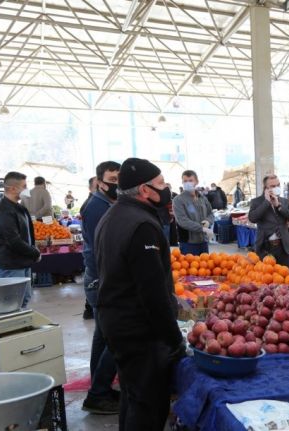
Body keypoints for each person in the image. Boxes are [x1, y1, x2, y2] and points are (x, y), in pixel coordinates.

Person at [95, 158, 184, 430]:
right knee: (148, 405)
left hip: (115, 322)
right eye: (161, 183)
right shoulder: (142, 225)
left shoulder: (112, 215)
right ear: (145, 190)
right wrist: (174, 341)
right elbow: (153, 294)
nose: (166, 188)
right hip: (139, 331)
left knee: (132, 396)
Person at [80, 160, 121, 415]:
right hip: (102, 281)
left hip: (101, 280)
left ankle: (100, 387)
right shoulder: (97, 207)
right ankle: (97, 394)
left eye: (119, 179)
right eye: (112, 180)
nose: (116, 184)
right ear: (99, 182)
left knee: (103, 337)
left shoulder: (107, 203)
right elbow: (101, 250)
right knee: (116, 337)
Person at [0, 172, 41, 308]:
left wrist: (32, 250)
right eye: (24, 186)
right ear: (13, 188)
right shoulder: (3, 211)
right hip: (11, 265)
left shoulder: (18, 207)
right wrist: (35, 253)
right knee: (12, 304)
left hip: (21, 261)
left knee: (24, 299)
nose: (27, 189)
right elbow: (13, 241)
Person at [248, 175, 289, 267]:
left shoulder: (284, 201)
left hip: (283, 247)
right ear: (265, 188)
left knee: (284, 273)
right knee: (266, 273)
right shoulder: (256, 201)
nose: (276, 188)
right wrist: (266, 202)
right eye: (273, 186)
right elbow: (252, 218)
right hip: (265, 247)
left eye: (278, 185)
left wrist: (279, 206)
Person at [173, 170, 214, 255]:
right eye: (185, 181)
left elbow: (210, 213)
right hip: (188, 242)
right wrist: (202, 228)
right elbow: (182, 220)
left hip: (203, 241)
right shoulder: (178, 200)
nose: (187, 183)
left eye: (190, 180)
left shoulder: (202, 198)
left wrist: (208, 221)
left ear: (196, 182)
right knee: (190, 263)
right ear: (182, 182)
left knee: (205, 263)